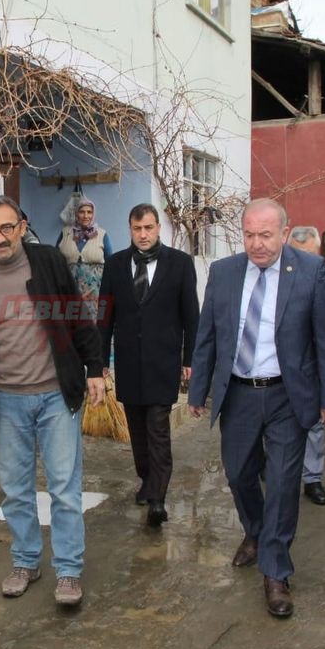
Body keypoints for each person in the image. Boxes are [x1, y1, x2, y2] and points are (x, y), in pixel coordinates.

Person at [0, 195, 106, 608]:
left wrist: (94, 369)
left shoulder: (49, 262)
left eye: (6, 228)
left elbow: (78, 317)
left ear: (21, 226)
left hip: (56, 397)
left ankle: (68, 569)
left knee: (64, 490)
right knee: (15, 490)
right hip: (7, 402)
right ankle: (26, 561)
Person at [187, 198, 325, 619]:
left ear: (285, 233)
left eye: (266, 235)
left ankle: (275, 571)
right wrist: (198, 391)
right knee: (238, 473)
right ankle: (256, 532)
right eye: (249, 235)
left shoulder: (310, 272)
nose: (256, 244)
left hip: (288, 394)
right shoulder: (224, 272)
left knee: (283, 481)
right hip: (238, 393)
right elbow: (207, 336)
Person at [98, 204, 199, 527]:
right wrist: (100, 361)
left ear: (158, 228)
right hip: (128, 362)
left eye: (149, 228)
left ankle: (158, 497)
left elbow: (191, 316)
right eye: (137, 228)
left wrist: (190, 359)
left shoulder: (180, 263)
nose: (143, 234)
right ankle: (146, 479)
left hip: (163, 362)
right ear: (130, 229)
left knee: (157, 427)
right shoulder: (115, 265)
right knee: (137, 430)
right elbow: (104, 317)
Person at [286, 225, 325, 507]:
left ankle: (312, 478)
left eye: (309, 255)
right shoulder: (275, 277)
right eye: (297, 254)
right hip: (282, 366)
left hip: (314, 365)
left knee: (315, 425)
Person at [56, 195, 114, 302]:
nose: (85, 216)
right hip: (69, 290)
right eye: (82, 212)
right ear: (76, 214)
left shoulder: (102, 234)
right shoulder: (65, 233)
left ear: (93, 214)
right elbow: (55, 261)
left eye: (89, 212)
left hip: (95, 292)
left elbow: (111, 265)